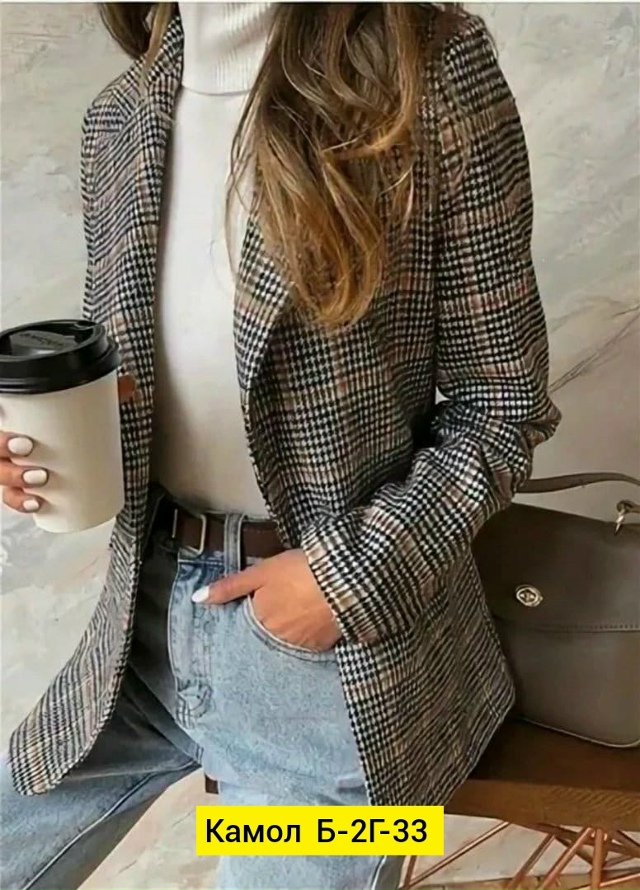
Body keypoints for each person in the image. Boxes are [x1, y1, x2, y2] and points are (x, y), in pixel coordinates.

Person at [0, 3, 561, 889]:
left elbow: (504, 407)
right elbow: (147, 376)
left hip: (331, 664)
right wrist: (50, 445)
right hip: (144, 626)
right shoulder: (118, 116)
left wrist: (343, 583)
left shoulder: (428, 73)